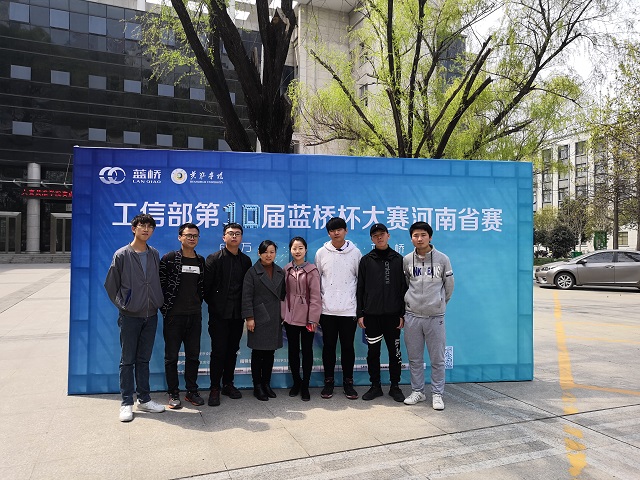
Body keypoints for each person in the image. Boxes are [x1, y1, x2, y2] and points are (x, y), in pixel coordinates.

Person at [104, 213, 166, 422]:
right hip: (130, 317)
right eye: (142, 226)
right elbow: (111, 285)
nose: (146, 229)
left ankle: (145, 399)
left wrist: (156, 300)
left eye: (150, 226)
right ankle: (126, 403)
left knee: (143, 359)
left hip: (151, 314)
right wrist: (125, 305)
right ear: (134, 228)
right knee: (127, 360)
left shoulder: (154, 253)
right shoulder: (122, 255)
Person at [402, 221, 454, 411]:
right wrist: (412, 303)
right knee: (415, 358)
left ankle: (437, 394)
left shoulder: (443, 259)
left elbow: (449, 287)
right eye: (415, 235)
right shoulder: (407, 260)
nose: (419, 238)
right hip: (412, 316)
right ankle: (418, 391)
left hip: (435, 317)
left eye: (423, 235)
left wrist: (438, 303)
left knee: (437, 359)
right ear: (411, 238)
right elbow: (406, 284)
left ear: (430, 237)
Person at [356, 223, 406, 402]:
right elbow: (360, 288)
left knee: (395, 353)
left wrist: (402, 314)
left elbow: (403, 289)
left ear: (388, 235)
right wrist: (360, 313)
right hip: (372, 316)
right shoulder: (366, 260)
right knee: (373, 353)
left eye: (382, 234)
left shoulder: (399, 260)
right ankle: (375, 386)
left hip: (393, 316)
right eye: (375, 235)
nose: (379, 237)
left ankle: (395, 386)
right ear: (371, 239)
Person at [204, 223, 252, 407]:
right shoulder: (214, 259)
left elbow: (247, 290)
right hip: (219, 316)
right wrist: (217, 306)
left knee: (232, 351)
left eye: (237, 234)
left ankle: (228, 384)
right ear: (224, 237)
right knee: (218, 352)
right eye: (230, 233)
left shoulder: (245, 261)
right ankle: (214, 388)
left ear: (241, 238)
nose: (234, 236)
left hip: (237, 315)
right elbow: (206, 289)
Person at [159, 222, 206, 409]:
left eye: (195, 236)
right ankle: (173, 393)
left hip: (194, 316)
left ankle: (191, 391)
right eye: (188, 235)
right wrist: (166, 309)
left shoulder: (200, 260)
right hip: (173, 316)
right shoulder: (170, 259)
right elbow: (160, 285)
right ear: (180, 237)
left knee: (193, 356)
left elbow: (202, 287)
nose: (192, 238)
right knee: (171, 357)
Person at [314, 217, 362, 400]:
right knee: (329, 347)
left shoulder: (355, 253)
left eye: (339, 229)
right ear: (328, 233)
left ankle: (348, 383)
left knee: (348, 347)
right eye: (332, 230)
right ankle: (329, 382)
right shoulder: (321, 253)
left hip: (349, 310)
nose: (336, 233)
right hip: (327, 310)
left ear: (345, 231)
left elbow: (360, 281)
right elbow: (317, 281)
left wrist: (359, 309)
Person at [241, 240, 286, 401]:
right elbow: (246, 297)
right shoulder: (252, 272)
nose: (269, 255)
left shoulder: (280, 271)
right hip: (258, 318)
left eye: (272, 252)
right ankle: (257, 386)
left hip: (274, 317)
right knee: (258, 353)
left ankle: (267, 384)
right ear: (259, 253)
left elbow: (283, 295)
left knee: (270, 353)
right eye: (265, 252)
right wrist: (249, 318)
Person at [282, 237, 322, 401]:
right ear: (290, 250)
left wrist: (313, 319)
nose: (297, 251)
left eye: (300, 248)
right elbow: (283, 294)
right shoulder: (286, 269)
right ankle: (296, 382)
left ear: (305, 250)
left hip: (307, 318)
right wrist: (283, 315)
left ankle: (305, 385)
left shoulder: (312, 270)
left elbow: (316, 297)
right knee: (292, 351)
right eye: (294, 248)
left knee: (307, 351)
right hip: (290, 317)